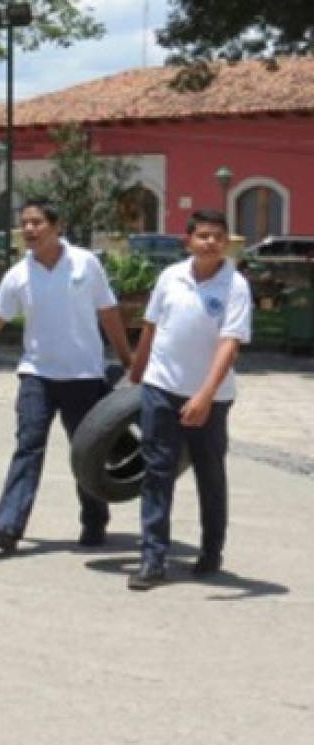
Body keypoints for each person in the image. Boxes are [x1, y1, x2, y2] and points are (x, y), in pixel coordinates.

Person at [0, 200, 133, 553]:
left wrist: (129, 359)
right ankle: (8, 526)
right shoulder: (18, 274)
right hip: (37, 375)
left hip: (84, 376)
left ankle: (95, 520)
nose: (30, 230)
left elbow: (109, 313)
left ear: (56, 226)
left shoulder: (85, 263)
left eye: (37, 223)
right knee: (28, 447)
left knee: (88, 452)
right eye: (25, 224)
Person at [126, 209, 251, 590]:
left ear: (226, 242)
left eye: (217, 236)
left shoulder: (236, 286)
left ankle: (211, 550)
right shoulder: (170, 276)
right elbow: (151, 325)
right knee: (157, 472)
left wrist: (205, 396)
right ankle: (152, 558)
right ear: (189, 241)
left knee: (209, 475)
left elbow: (230, 344)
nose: (210, 242)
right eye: (202, 235)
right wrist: (138, 368)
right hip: (161, 387)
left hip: (210, 398)